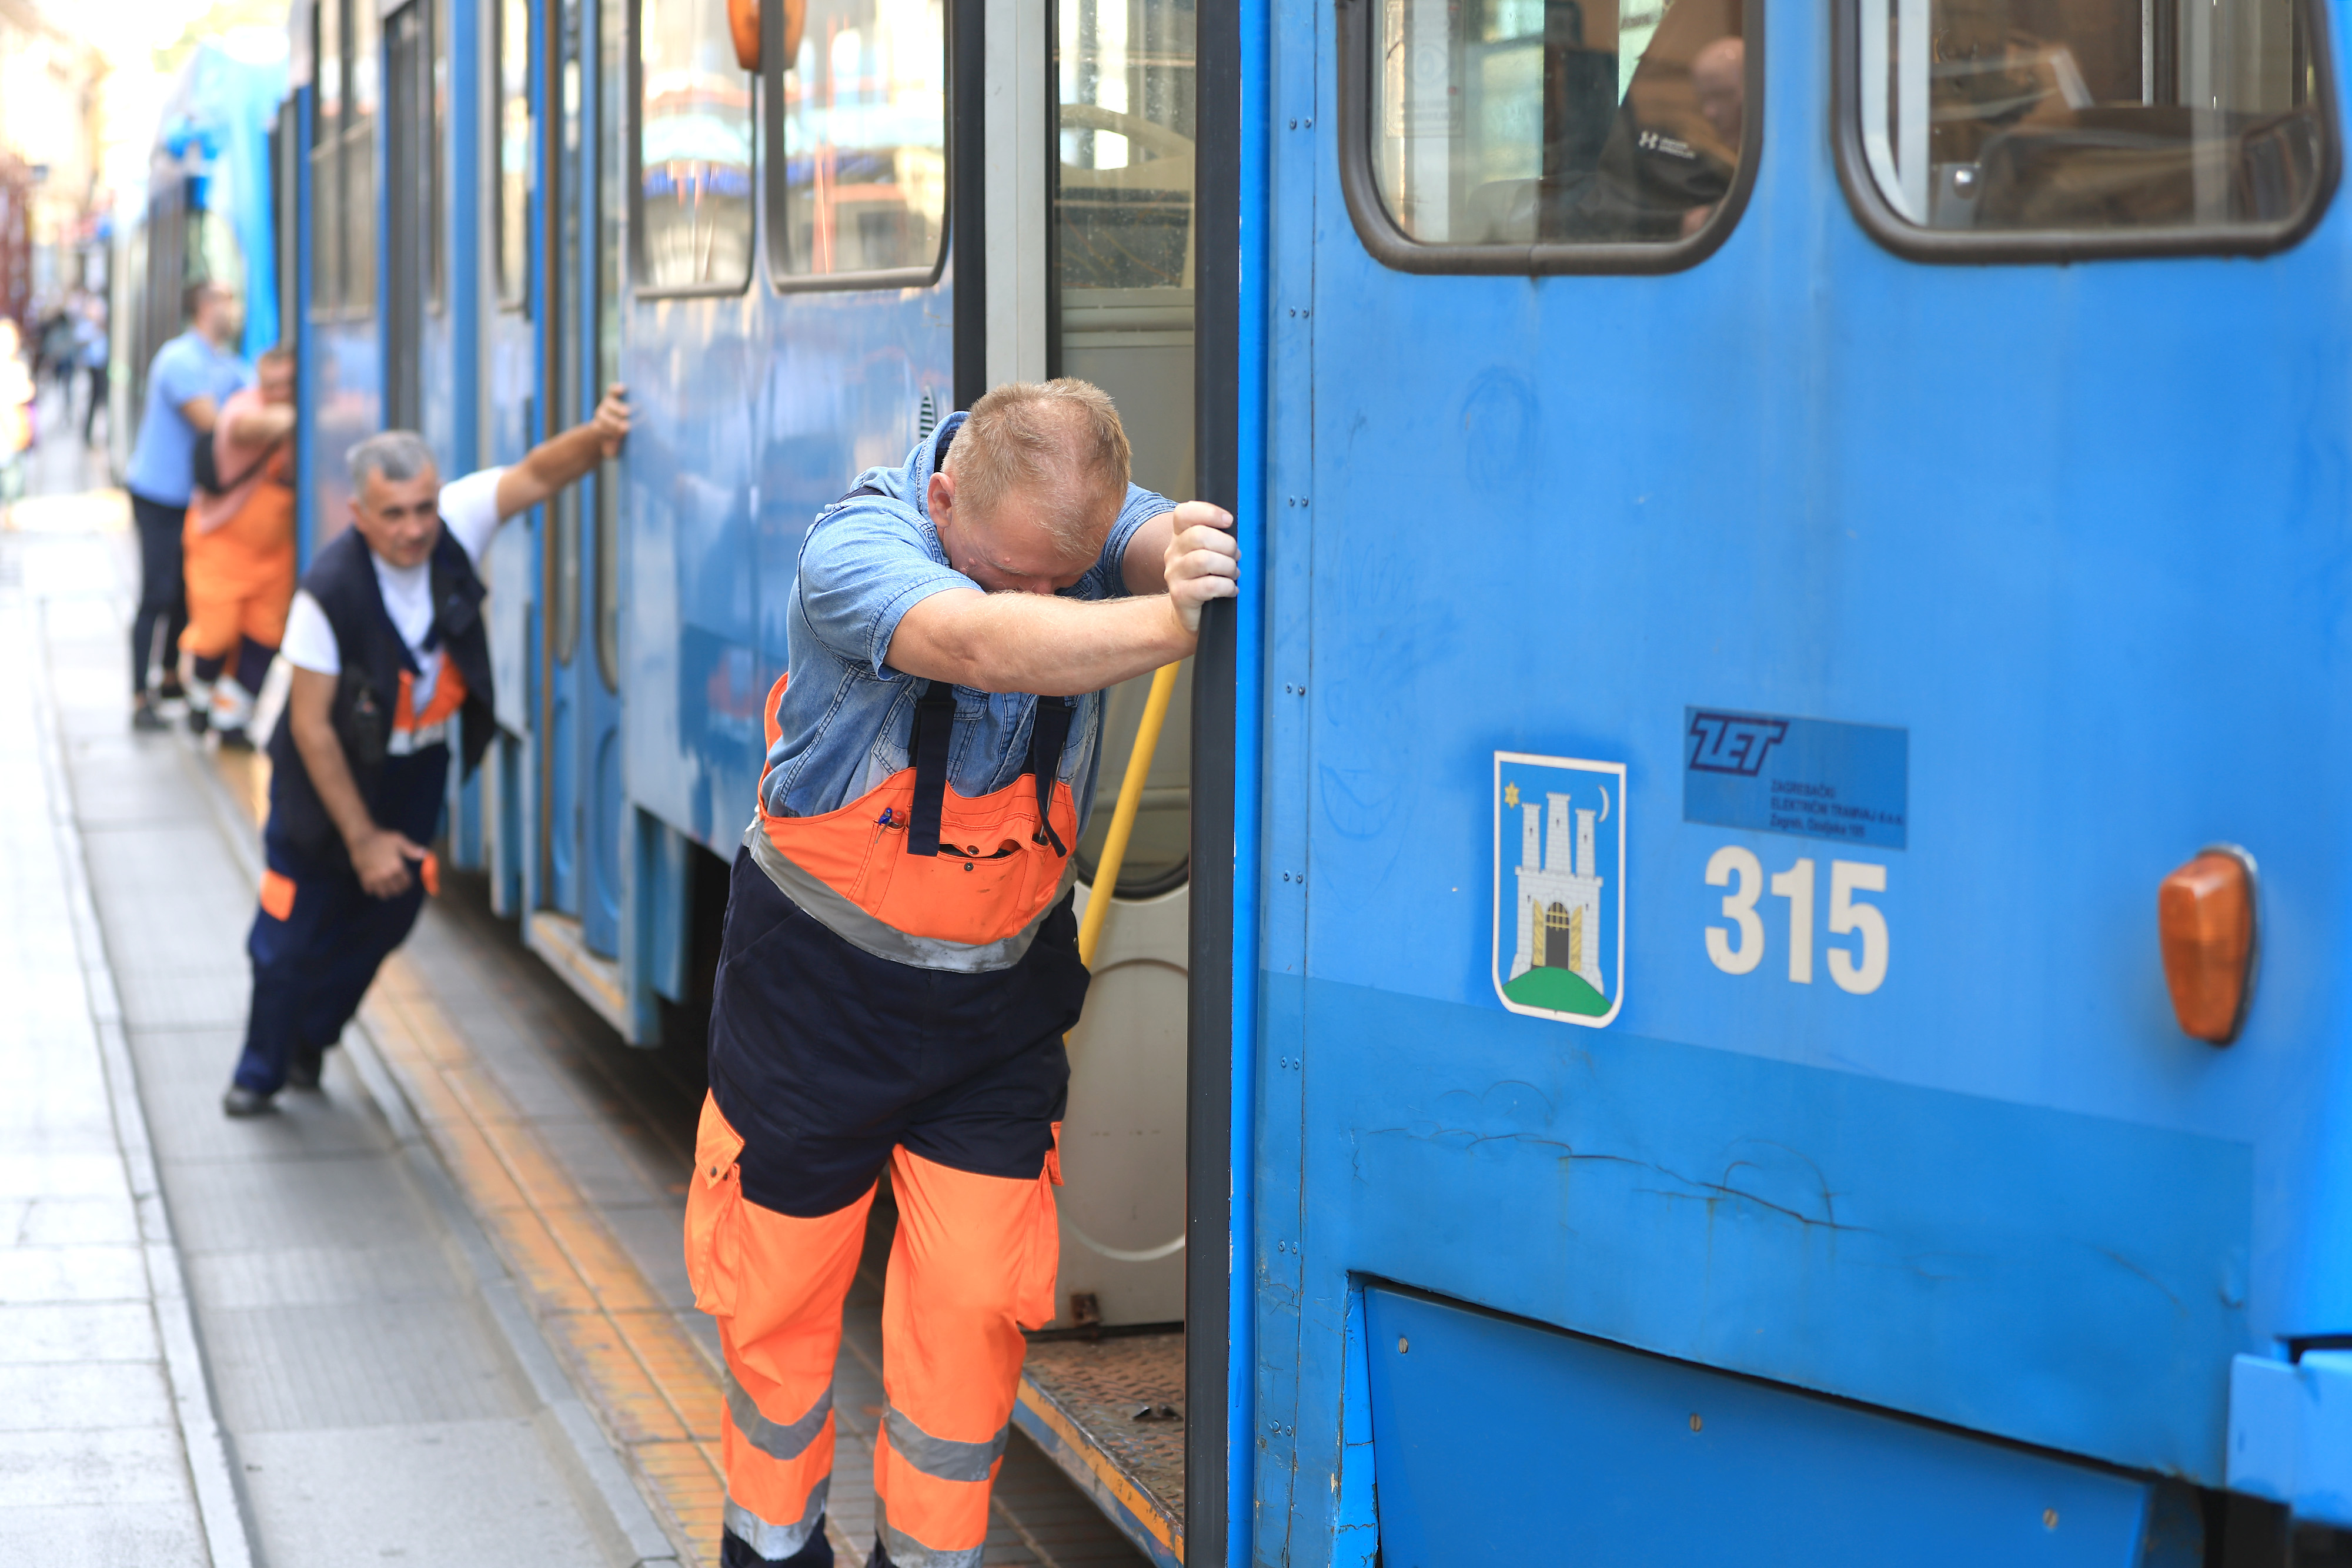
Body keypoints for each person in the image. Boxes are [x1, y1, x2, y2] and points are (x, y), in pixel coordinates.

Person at [684, 379, 1239, 1568]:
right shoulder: (855, 547)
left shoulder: (1061, 522)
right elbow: (980, 645)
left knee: (976, 1306)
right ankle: (770, 1549)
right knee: (776, 1302)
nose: (1038, 596)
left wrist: (1184, 542)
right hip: (812, 1006)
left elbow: (1144, 536)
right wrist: (1174, 619)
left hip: (994, 1014)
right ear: (942, 500)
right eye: (1010, 570)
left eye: (1065, 573)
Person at [220, 386, 632, 1117]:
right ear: (360, 515)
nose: (415, 530)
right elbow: (311, 728)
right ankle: (258, 1071)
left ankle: (311, 1038)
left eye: (424, 508)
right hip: (321, 785)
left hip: (413, 768)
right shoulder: (327, 591)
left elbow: (535, 475)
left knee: (392, 909)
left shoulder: (452, 527)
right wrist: (362, 839)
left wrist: (597, 433)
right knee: (290, 928)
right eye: (395, 515)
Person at [122, 282, 247, 731]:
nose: (232, 309)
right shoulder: (180, 360)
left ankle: (172, 677)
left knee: (184, 592)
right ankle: (140, 696)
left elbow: (250, 401)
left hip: (192, 499)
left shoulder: (224, 363)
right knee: (157, 594)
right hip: (159, 495)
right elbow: (215, 423)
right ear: (204, 306)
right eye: (225, 299)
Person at [179, 346, 298, 745]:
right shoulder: (241, 410)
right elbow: (259, 427)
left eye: (290, 383)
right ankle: (200, 702)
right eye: (274, 383)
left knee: (265, 635)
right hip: (221, 545)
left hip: (274, 555)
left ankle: (232, 721)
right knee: (216, 633)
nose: (282, 390)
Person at [79, 295, 109, 449]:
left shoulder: (102, 328)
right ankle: (87, 434)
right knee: (95, 399)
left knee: (102, 399)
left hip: (103, 365)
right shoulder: (87, 327)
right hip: (94, 367)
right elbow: (80, 341)